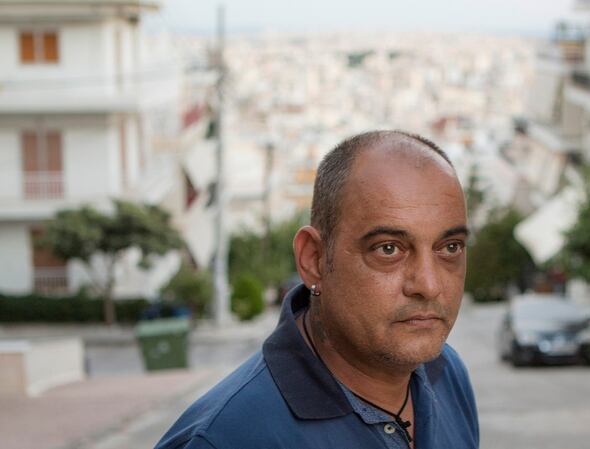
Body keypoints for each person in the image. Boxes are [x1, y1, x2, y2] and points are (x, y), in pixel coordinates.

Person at [155, 130, 479, 449]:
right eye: (389, 249)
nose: (429, 284)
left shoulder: (445, 373)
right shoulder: (224, 439)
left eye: (449, 247)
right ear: (314, 260)